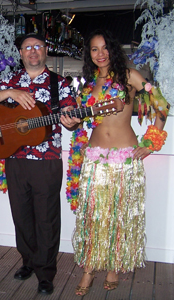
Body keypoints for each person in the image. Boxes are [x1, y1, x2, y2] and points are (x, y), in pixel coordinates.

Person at [0, 33, 80, 295]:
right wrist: (10, 92)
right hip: (15, 159)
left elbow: (71, 114)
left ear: (45, 51)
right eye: (27, 47)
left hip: (47, 161)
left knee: (46, 218)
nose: (33, 51)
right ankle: (28, 262)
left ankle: (45, 273)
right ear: (21, 53)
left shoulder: (60, 84)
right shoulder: (10, 80)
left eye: (37, 47)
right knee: (21, 215)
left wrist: (72, 120)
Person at [72, 29, 169, 296]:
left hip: (125, 159)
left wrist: (151, 142)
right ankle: (89, 268)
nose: (100, 54)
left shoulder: (129, 76)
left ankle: (114, 266)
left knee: (119, 215)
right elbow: (80, 120)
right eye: (94, 49)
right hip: (94, 160)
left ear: (112, 49)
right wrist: (72, 119)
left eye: (104, 48)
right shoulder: (88, 83)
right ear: (89, 55)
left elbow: (162, 106)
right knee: (93, 217)